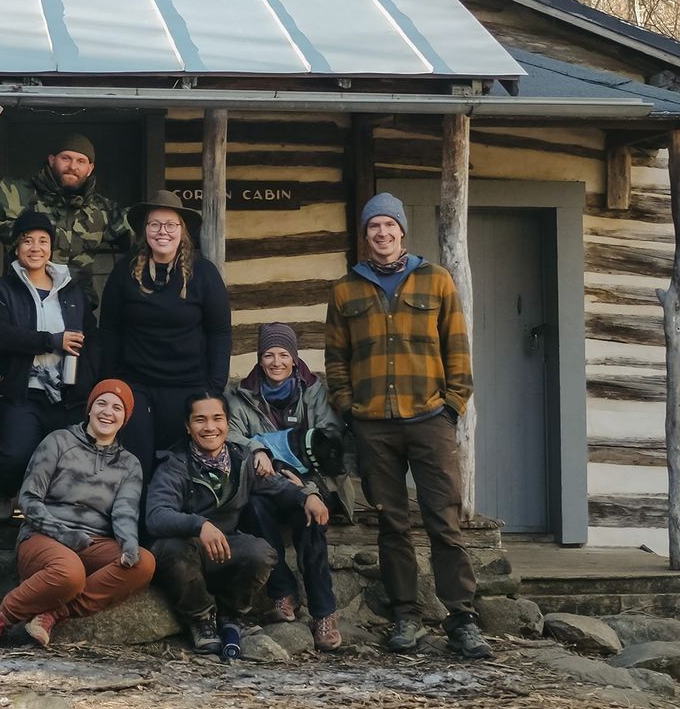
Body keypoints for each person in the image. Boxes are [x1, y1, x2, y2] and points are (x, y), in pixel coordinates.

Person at [325, 192, 490, 660]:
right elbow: (336, 358)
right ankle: (405, 616)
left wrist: (453, 403)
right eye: (373, 226)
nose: (381, 234)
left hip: (429, 420)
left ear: (401, 231)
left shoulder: (436, 280)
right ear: (365, 234)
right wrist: (347, 405)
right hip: (373, 424)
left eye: (388, 226)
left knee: (445, 521)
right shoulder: (345, 289)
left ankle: (461, 619)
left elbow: (457, 346)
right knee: (393, 526)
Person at [0, 380, 156, 649]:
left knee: (143, 563)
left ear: (125, 419)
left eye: (117, 408)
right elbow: (29, 500)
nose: (107, 412)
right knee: (69, 572)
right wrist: (64, 534)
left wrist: (129, 544)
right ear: (89, 409)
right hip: (43, 537)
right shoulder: (58, 441)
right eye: (101, 403)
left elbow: (124, 512)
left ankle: (53, 614)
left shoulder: (129, 464)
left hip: (93, 543)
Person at [146, 392, 327, 656]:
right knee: (171, 550)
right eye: (200, 420)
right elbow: (156, 515)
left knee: (260, 552)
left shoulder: (241, 460)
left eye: (217, 418)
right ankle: (201, 619)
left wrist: (307, 495)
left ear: (228, 423)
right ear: (188, 426)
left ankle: (233, 615)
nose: (210, 427)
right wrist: (199, 526)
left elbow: (276, 486)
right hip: (186, 549)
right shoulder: (175, 464)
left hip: (224, 548)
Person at [99, 190, 231, 489]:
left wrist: (213, 386)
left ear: (182, 230)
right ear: (144, 230)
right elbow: (109, 328)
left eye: (171, 225)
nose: (163, 232)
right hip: (137, 385)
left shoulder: (204, 274)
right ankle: (136, 531)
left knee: (175, 463)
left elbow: (220, 332)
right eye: (154, 224)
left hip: (187, 385)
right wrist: (110, 384)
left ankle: (173, 528)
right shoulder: (124, 273)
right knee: (137, 460)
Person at [226, 322, 344, 651]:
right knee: (253, 508)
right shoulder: (241, 395)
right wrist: (259, 449)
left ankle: (324, 611)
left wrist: (305, 482)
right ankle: (282, 591)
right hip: (265, 485)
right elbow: (232, 435)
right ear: (259, 359)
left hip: (313, 481)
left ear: (294, 359)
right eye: (268, 355)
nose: (275, 362)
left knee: (310, 519)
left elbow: (330, 439)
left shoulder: (314, 391)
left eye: (283, 355)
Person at [0, 207, 98, 520]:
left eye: (43, 241)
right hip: (23, 389)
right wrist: (51, 340)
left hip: (67, 391)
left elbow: (91, 336)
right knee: (16, 455)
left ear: (51, 246)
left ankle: (47, 517)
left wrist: (91, 383)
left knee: (66, 462)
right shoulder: (2, 289)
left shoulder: (71, 290)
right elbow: (1, 334)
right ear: (16, 248)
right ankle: (5, 486)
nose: (35, 248)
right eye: (27, 241)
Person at [0, 133, 131, 299]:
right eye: (66, 158)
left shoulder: (101, 209)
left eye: (81, 161)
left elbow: (145, 232)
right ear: (52, 160)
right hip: (24, 308)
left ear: (90, 168)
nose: (73, 166)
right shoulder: (19, 196)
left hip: (76, 313)